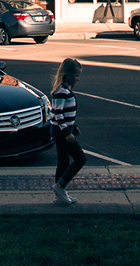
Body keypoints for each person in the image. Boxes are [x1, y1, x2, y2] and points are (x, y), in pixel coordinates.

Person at [49, 58, 86, 204]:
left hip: (63, 130)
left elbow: (66, 113)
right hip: (60, 132)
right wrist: (67, 133)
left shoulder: (65, 91)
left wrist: (73, 126)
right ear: (67, 75)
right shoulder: (61, 92)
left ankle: (60, 196)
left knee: (63, 161)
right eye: (76, 75)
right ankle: (60, 186)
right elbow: (58, 114)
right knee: (80, 159)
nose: (78, 79)